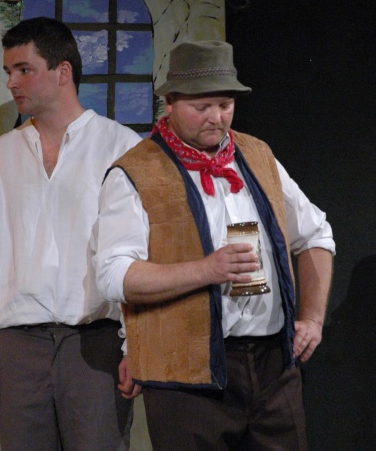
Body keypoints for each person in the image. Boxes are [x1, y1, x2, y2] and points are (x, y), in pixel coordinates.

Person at [93, 40, 335, 450]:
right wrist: (206, 270)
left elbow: (315, 234)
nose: (216, 118)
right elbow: (114, 275)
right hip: (186, 380)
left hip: (272, 368)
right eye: (201, 106)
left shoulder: (257, 155)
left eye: (225, 105)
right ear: (170, 103)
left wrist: (312, 318)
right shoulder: (135, 172)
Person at [0, 17, 140, 450]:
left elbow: (139, 255)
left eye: (24, 69)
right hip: (20, 348)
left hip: (96, 343)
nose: (12, 82)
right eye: (8, 71)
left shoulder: (120, 148)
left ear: (62, 71)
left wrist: (137, 346)